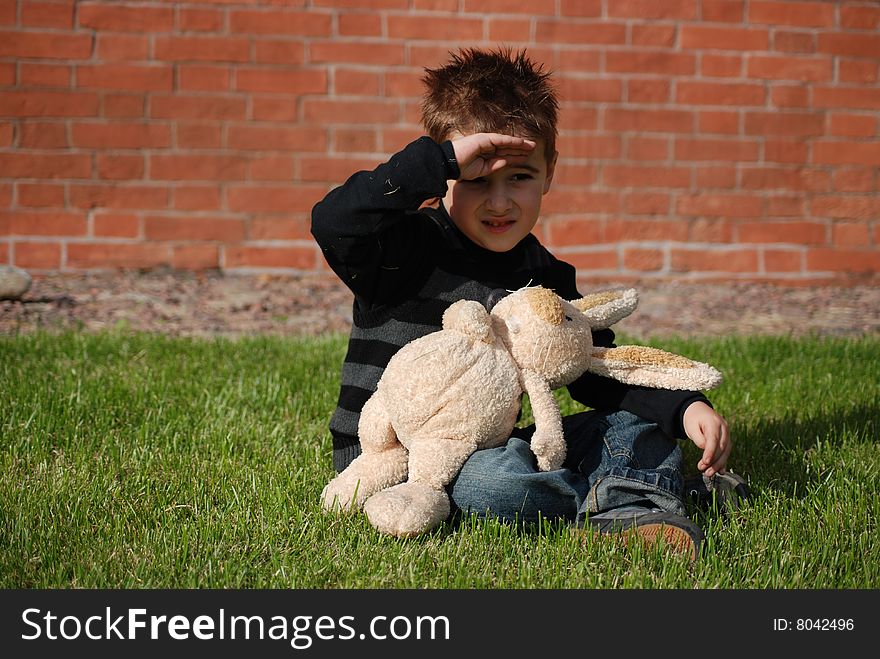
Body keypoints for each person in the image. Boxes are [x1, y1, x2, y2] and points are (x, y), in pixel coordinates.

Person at [311, 47, 745, 560]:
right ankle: (637, 491)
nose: (499, 202)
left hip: (491, 444)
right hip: (394, 457)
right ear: (446, 175)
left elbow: (591, 369)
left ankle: (630, 508)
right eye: (476, 179)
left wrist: (683, 406)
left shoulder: (545, 275)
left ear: (549, 170)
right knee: (494, 486)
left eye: (518, 176)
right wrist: (440, 159)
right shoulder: (404, 248)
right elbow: (333, 221)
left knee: (633, 426)